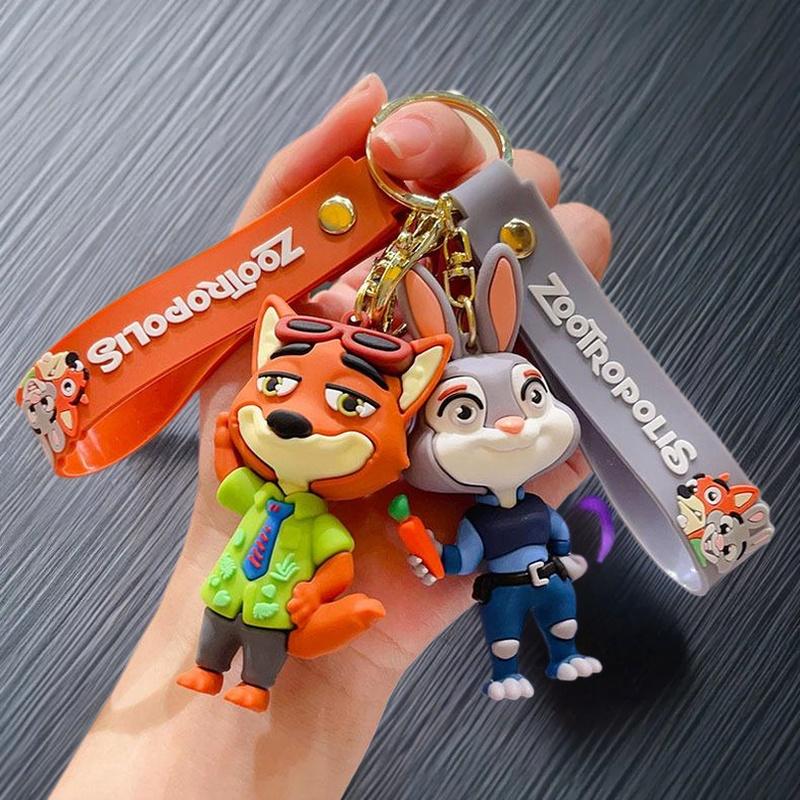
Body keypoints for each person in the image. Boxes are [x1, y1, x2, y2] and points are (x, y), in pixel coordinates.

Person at [51, 73, 612, 800]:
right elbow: (238, 485)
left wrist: (340, 587)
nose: (293, 417)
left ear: (409, 402)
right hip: (230, 595)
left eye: (344, 404)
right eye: (279, 389)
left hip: (287, 605)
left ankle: (258, 676)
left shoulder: (333, 517)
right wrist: (224, 439)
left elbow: (346, 558)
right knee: (221, 636)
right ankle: (216, 671)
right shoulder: (265, 494)